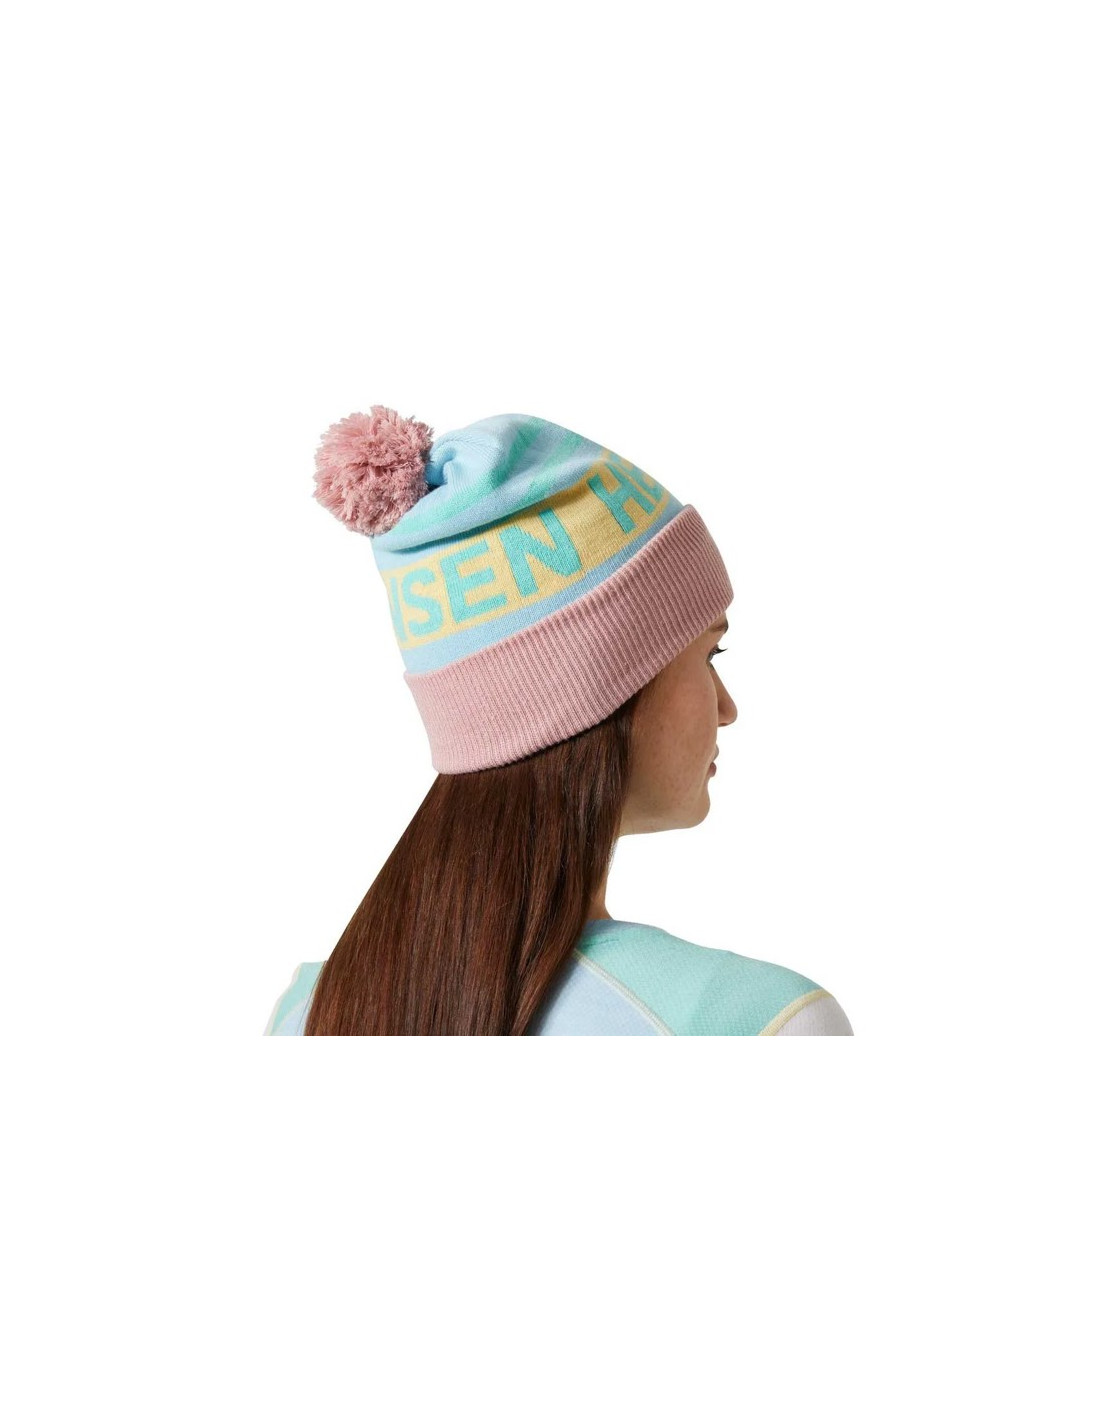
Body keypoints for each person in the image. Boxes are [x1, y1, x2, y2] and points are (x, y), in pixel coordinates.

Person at [264, 406, 853, 1036]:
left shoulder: (306, 1015)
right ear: (603, 688)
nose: (727, 708)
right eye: (710, 655)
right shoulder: (761, 1024)